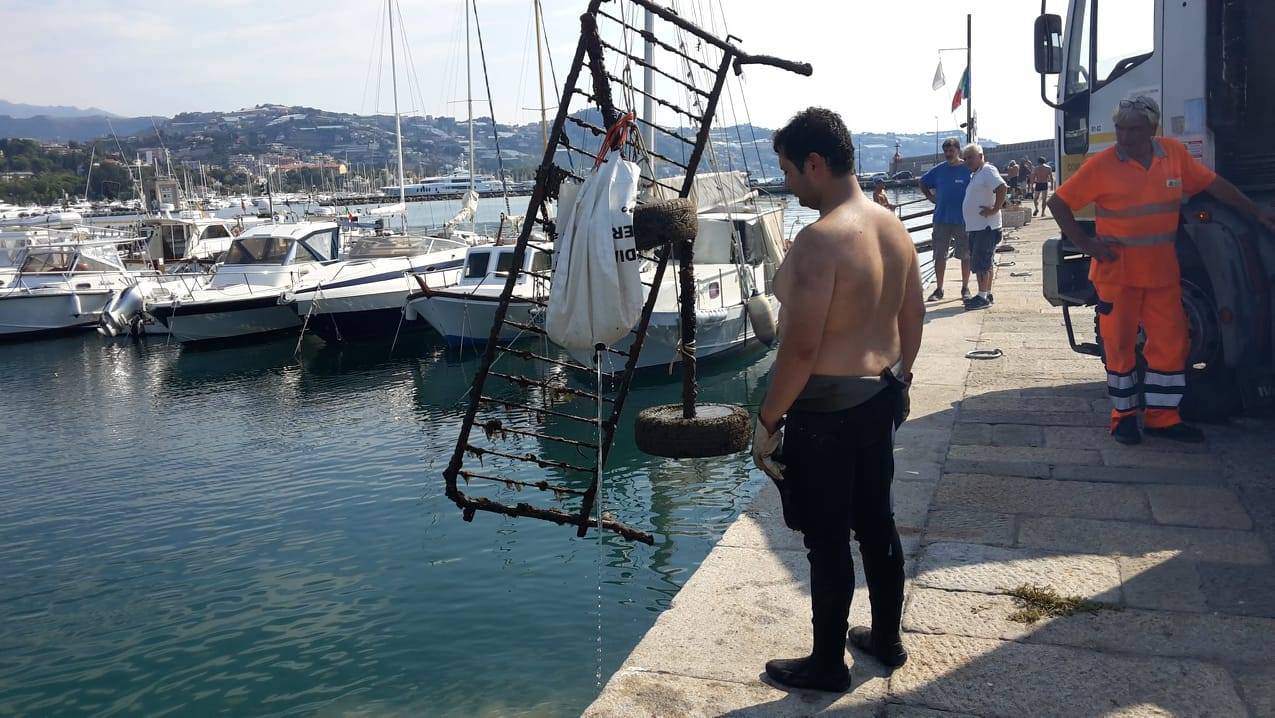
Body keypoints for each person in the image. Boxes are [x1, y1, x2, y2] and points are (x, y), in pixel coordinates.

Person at [752, 107, 924, 692]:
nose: (789, 183)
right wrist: (900, 382)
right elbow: (912, 317)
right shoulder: (892, 226)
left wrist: (767, 420)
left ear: (815, 164)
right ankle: (887, 638)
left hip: (825, 413)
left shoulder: (820, 240)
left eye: (790, 171)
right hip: (880, 395)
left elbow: (798, 352)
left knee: (827, 539)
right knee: (878, 524)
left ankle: (827, 664)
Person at [1048, 95, 1275, 445]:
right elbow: (1058, 202)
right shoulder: (1102, 164)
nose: (1124, 137)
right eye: (1120, 129)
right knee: (1120, 346)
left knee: (1172, 345)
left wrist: (1256, 212)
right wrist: (1087, 245)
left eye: (1133, 130)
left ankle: (1163, 418)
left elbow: (1215, 185)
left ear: (1152, 129)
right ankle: (1122, 418)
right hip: (1117, 276)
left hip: (1161, 275)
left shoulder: (1173, 156)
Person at [918, 137, 973, 301]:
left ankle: (965, 288)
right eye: (946, 151)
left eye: (951, 151)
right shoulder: (938, 170)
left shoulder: (967, 168)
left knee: (965, 255)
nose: (948, 154)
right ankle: (939, 289)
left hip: (963, 220)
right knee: (939, 255)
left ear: (958, 151)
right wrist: (929, 196)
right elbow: (922, 182)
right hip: (941, 219)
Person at [961, 143, 1006, 310]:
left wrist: (995, 209)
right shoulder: (978, 174)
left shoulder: (987, 170)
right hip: (977, 227)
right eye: (965, 159)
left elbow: (1002, 187)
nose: (967, 161)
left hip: (985, 227)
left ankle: (982, 297)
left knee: (981, 262)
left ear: (980, 156)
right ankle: (986, 292)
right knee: (985, 262)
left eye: (971, 157)